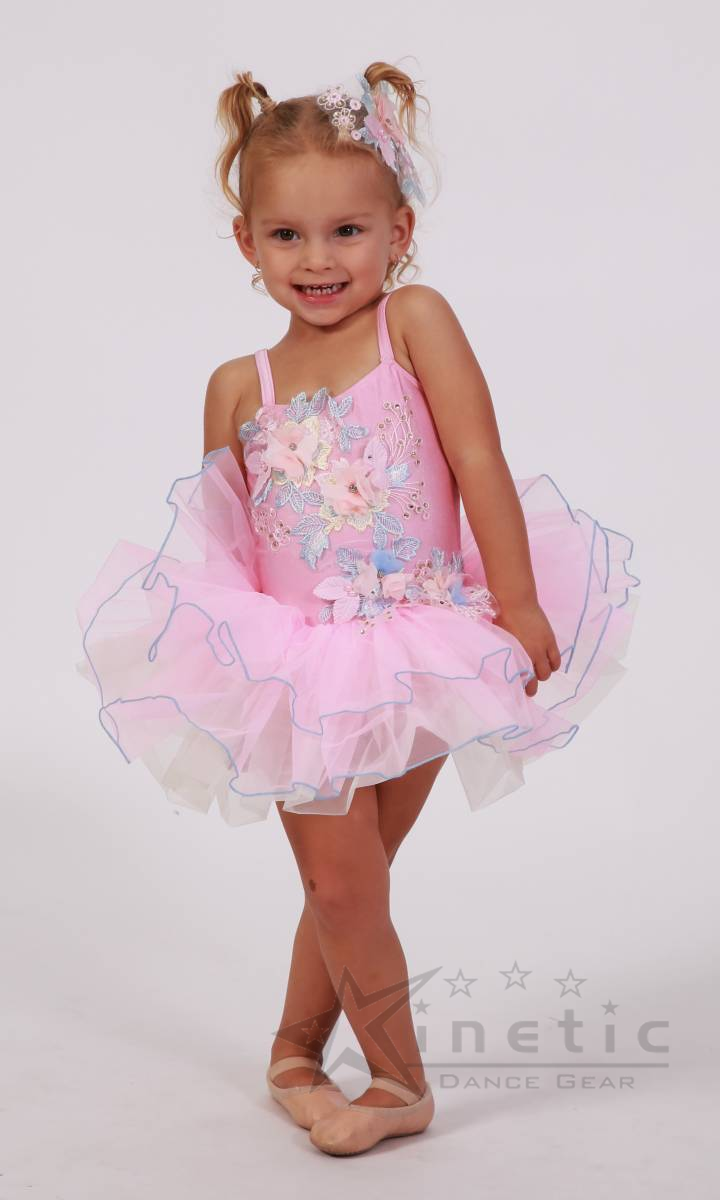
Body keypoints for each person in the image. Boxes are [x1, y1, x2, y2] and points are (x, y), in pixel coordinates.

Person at [75, 62, 640, 1156]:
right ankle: (373, 1073)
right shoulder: (239, 384)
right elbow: (225, 541)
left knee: (350, 880)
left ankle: (334, 1064)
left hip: (424, 642)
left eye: (346, 231)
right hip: (301, 669)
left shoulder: (413, 322)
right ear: (247, 242)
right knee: (341, 880)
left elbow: (478, 459)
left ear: (399, 231)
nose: (318, 259)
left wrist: (518, 602)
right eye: (287, 236)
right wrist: (228, 673)